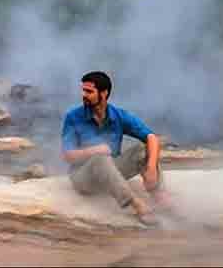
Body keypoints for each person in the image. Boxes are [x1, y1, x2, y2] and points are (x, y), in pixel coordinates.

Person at [61, 71, 167, 226]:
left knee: (142, 150)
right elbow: (67, 156)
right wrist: (94, 150)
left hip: (111, 174)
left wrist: (151, 168)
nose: (84, 95)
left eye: (89, 91)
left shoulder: (118, 115)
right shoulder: (73, 117)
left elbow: (152, 138)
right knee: (99, 159)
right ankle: (137, 205)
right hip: (83, 178)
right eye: (83, 90)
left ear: (104, 93)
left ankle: (158, 195)